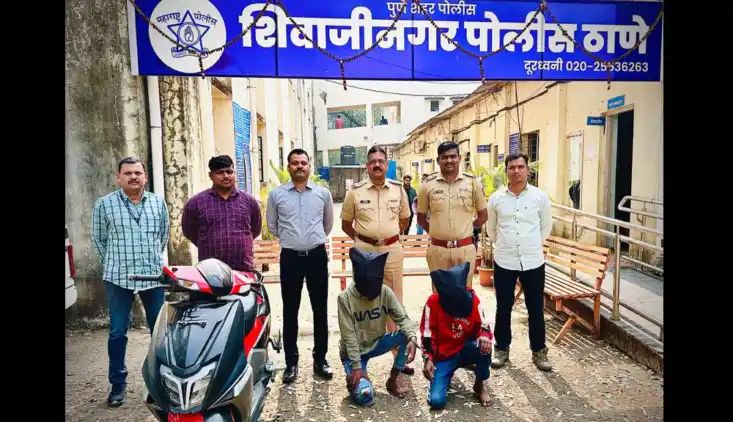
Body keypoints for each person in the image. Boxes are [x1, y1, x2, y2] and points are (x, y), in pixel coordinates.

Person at [92, 156, 170, 407]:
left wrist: (149, 259)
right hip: (118, 277)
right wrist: (115, 262)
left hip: (152, 276)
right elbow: (99, 239)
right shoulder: (104, 204)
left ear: (145, 177)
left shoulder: (158, 203)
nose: (133, 177)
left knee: (159, 331)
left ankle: (162, 382)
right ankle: (118, 384)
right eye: (128, 173)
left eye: (138, 173)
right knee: (117, 331)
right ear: (119, 178)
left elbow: (163, 236)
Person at [341, 146, 415, 374]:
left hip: (391, 250)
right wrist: (366, 239)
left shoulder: (398, 189)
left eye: (381, 161)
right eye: (372, 161)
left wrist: (386, 237)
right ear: (367, 166)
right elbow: (346, 224)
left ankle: (398, 358)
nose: (377, 165)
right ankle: (360, 357)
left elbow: (405, 219)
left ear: (386, 164)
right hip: (364, 253)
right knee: (363, 302)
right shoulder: (355, 192)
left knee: (394, 303)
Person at [266, 149, 335, 383]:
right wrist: (294, 239)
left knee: (320, 309)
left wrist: (309, 239)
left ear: (309, 166)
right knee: (290, 310)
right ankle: (291, 363)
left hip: (316, 256)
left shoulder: (322, 194)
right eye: (295, 163)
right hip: (290, 258)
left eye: (303, 163)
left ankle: (320, 359)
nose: (299, 166)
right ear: (288, 167)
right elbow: (273, 226)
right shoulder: (277, 195)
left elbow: (327, 225)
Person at [486, 152, 553, 371]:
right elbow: (491, 230)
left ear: (527, 170)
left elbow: (546, 227)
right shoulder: (496, 198)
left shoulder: (540, 197)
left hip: (533, 261)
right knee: (503, 307)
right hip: (505, 260)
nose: (516, 171)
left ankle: (539, 351)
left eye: (520, 167)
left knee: (535, 308)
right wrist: (506, 245)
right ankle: (501, 349)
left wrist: (529, 244)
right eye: (512, 167)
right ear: (506, 170)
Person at [337, 248, 418, 406]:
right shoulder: (345, 298)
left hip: (376, 343)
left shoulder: (385, 291)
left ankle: (392, 380)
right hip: (354, 352)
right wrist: (356, 368)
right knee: (365, 396)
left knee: (406, 336)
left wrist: (413, 337)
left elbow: (402, 318)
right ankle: (358, 381)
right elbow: (349, 336)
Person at [421, 263, 493, 409]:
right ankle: (443, 376)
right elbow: (426, 334)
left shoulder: (472, 298)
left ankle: (479, 385)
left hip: (466, 347)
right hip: (445, 353)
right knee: (436, 402)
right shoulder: (432, 302)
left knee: (485, 347)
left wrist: (485, 336)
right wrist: (428, 358)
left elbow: (484, 325)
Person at [417, 141, 488, 287]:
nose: (449, 160)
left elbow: (483, 216)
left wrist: (468, 230)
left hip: (464, 250)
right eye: (444, 157)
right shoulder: (427, 185)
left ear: (459, 158)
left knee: (464, 293)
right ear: (438, 160)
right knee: (439, 293)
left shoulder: (472, 183)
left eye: (453, 156)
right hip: (438, 251)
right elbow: (421, 219)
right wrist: (437, 232)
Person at [181, 155, 262, 271]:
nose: (226, 176)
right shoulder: (196, 202)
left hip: (243, 267)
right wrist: (206, 243)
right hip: (210, 270)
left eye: (229, 172)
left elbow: (255, 229)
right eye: (220, 172)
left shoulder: (249, 201)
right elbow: (189, 231)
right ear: (210, 176)